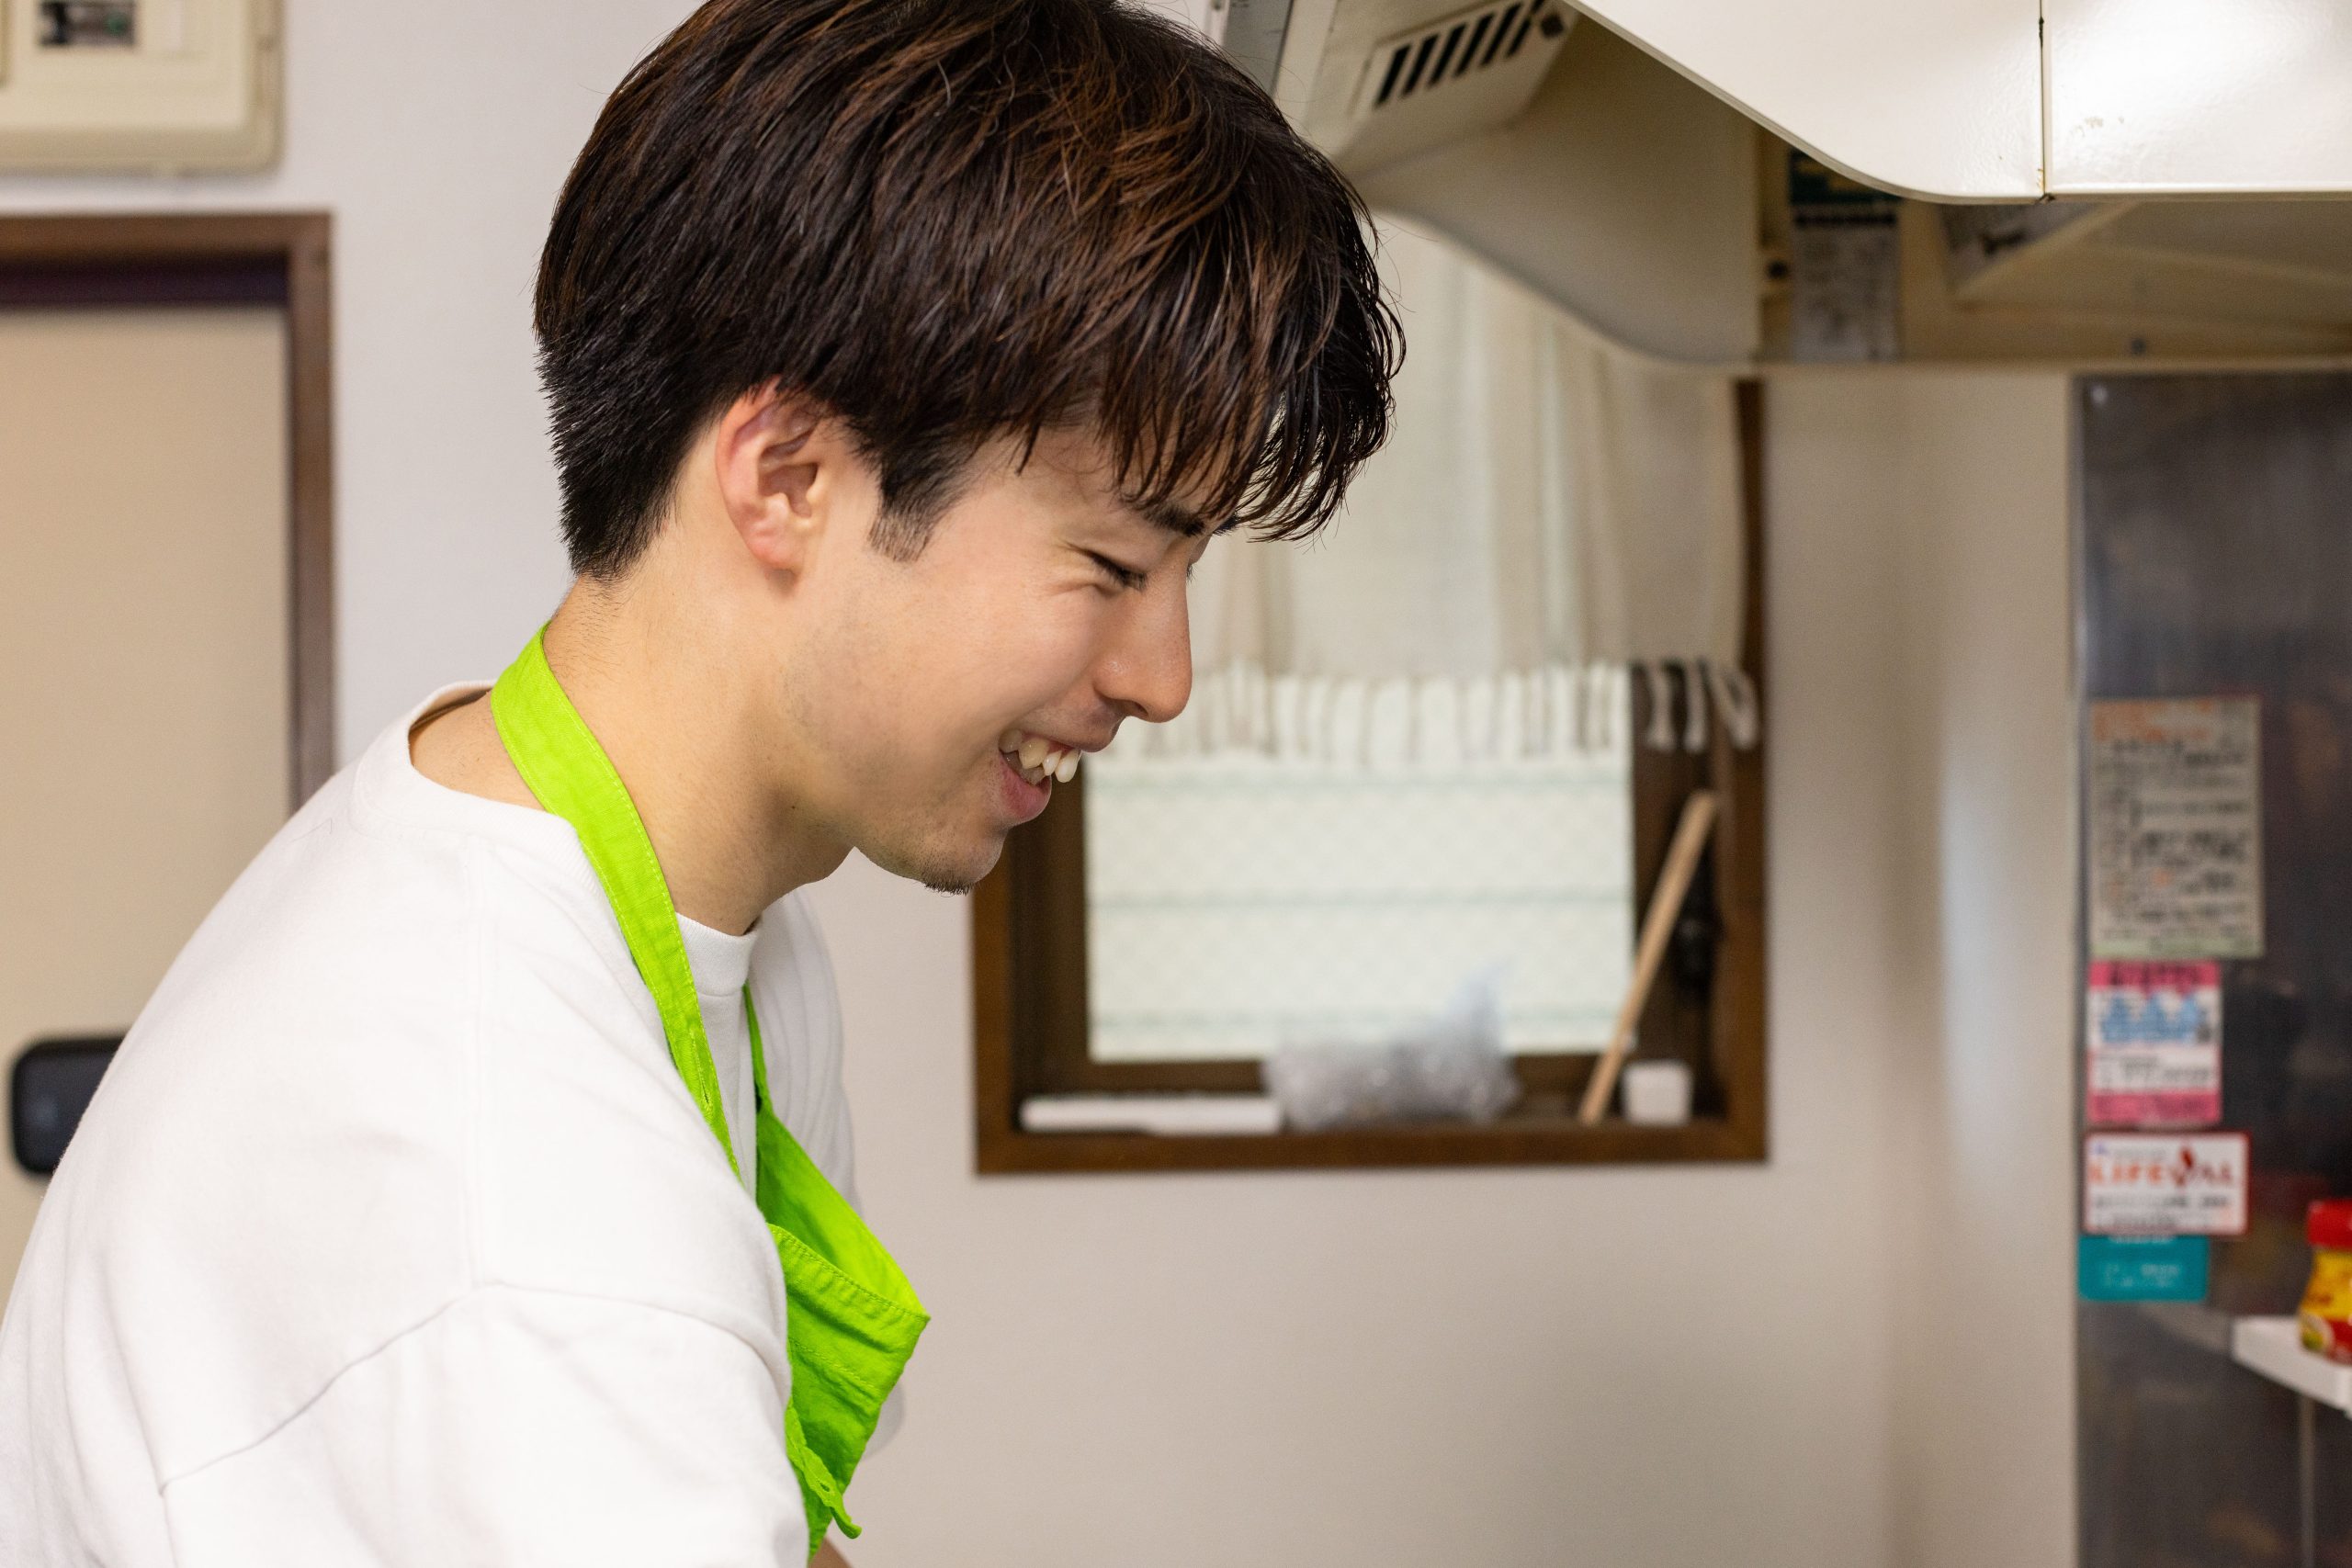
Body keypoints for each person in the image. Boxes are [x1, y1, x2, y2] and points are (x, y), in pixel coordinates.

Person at [0, 0, 1396, 1562]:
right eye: (1114, 566)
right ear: (785, 477)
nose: (1163, 676)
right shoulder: (530, 1218)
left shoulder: (677, 905)